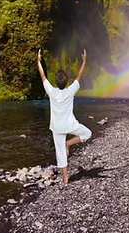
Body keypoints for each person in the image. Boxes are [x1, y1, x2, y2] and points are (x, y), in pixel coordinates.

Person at [37, 48, 92, 185]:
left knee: (60, 153)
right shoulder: (70, 91)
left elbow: (43, 76)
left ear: (56, 82)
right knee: (87, 133)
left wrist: (38, 62)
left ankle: (65, 178)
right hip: (69, 124)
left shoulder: (51, 92)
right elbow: (79, 77)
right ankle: (69, 143)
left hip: (57, 127)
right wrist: (84, 61)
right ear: (67, 82)